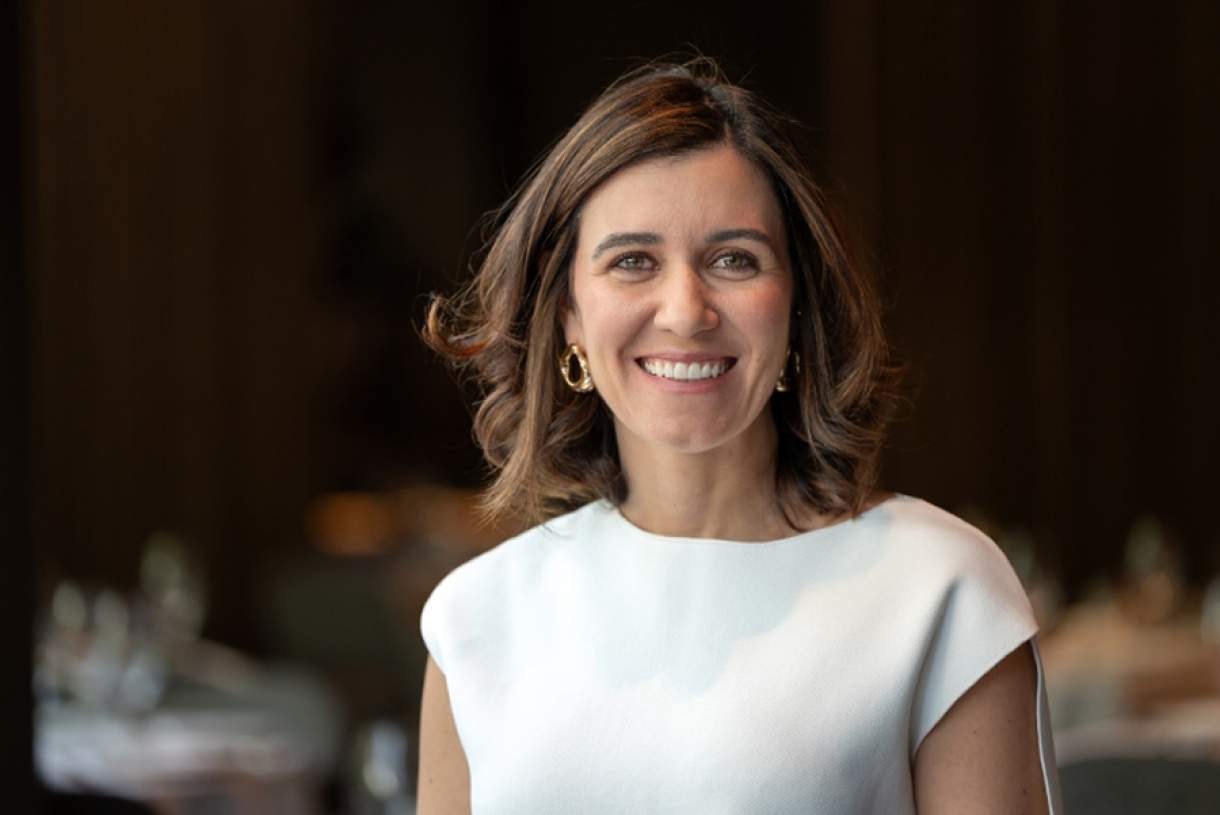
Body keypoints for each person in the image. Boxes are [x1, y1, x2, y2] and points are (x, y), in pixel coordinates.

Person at [416, 57, 1062, 814]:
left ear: (797, 307)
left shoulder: (940, 592)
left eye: (733, 259)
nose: (685, 312)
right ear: (568, 315)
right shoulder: (475, 619)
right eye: (632, 261)